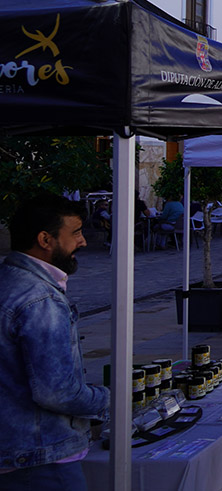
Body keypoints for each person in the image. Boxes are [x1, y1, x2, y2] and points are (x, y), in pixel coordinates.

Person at [0, 195, 107, 489]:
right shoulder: (39, 298)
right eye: (76, 233)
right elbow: (57, 391)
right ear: (45, 239)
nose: (83, 241)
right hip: (40, 455)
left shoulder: (9, 281)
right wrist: (109, 399)